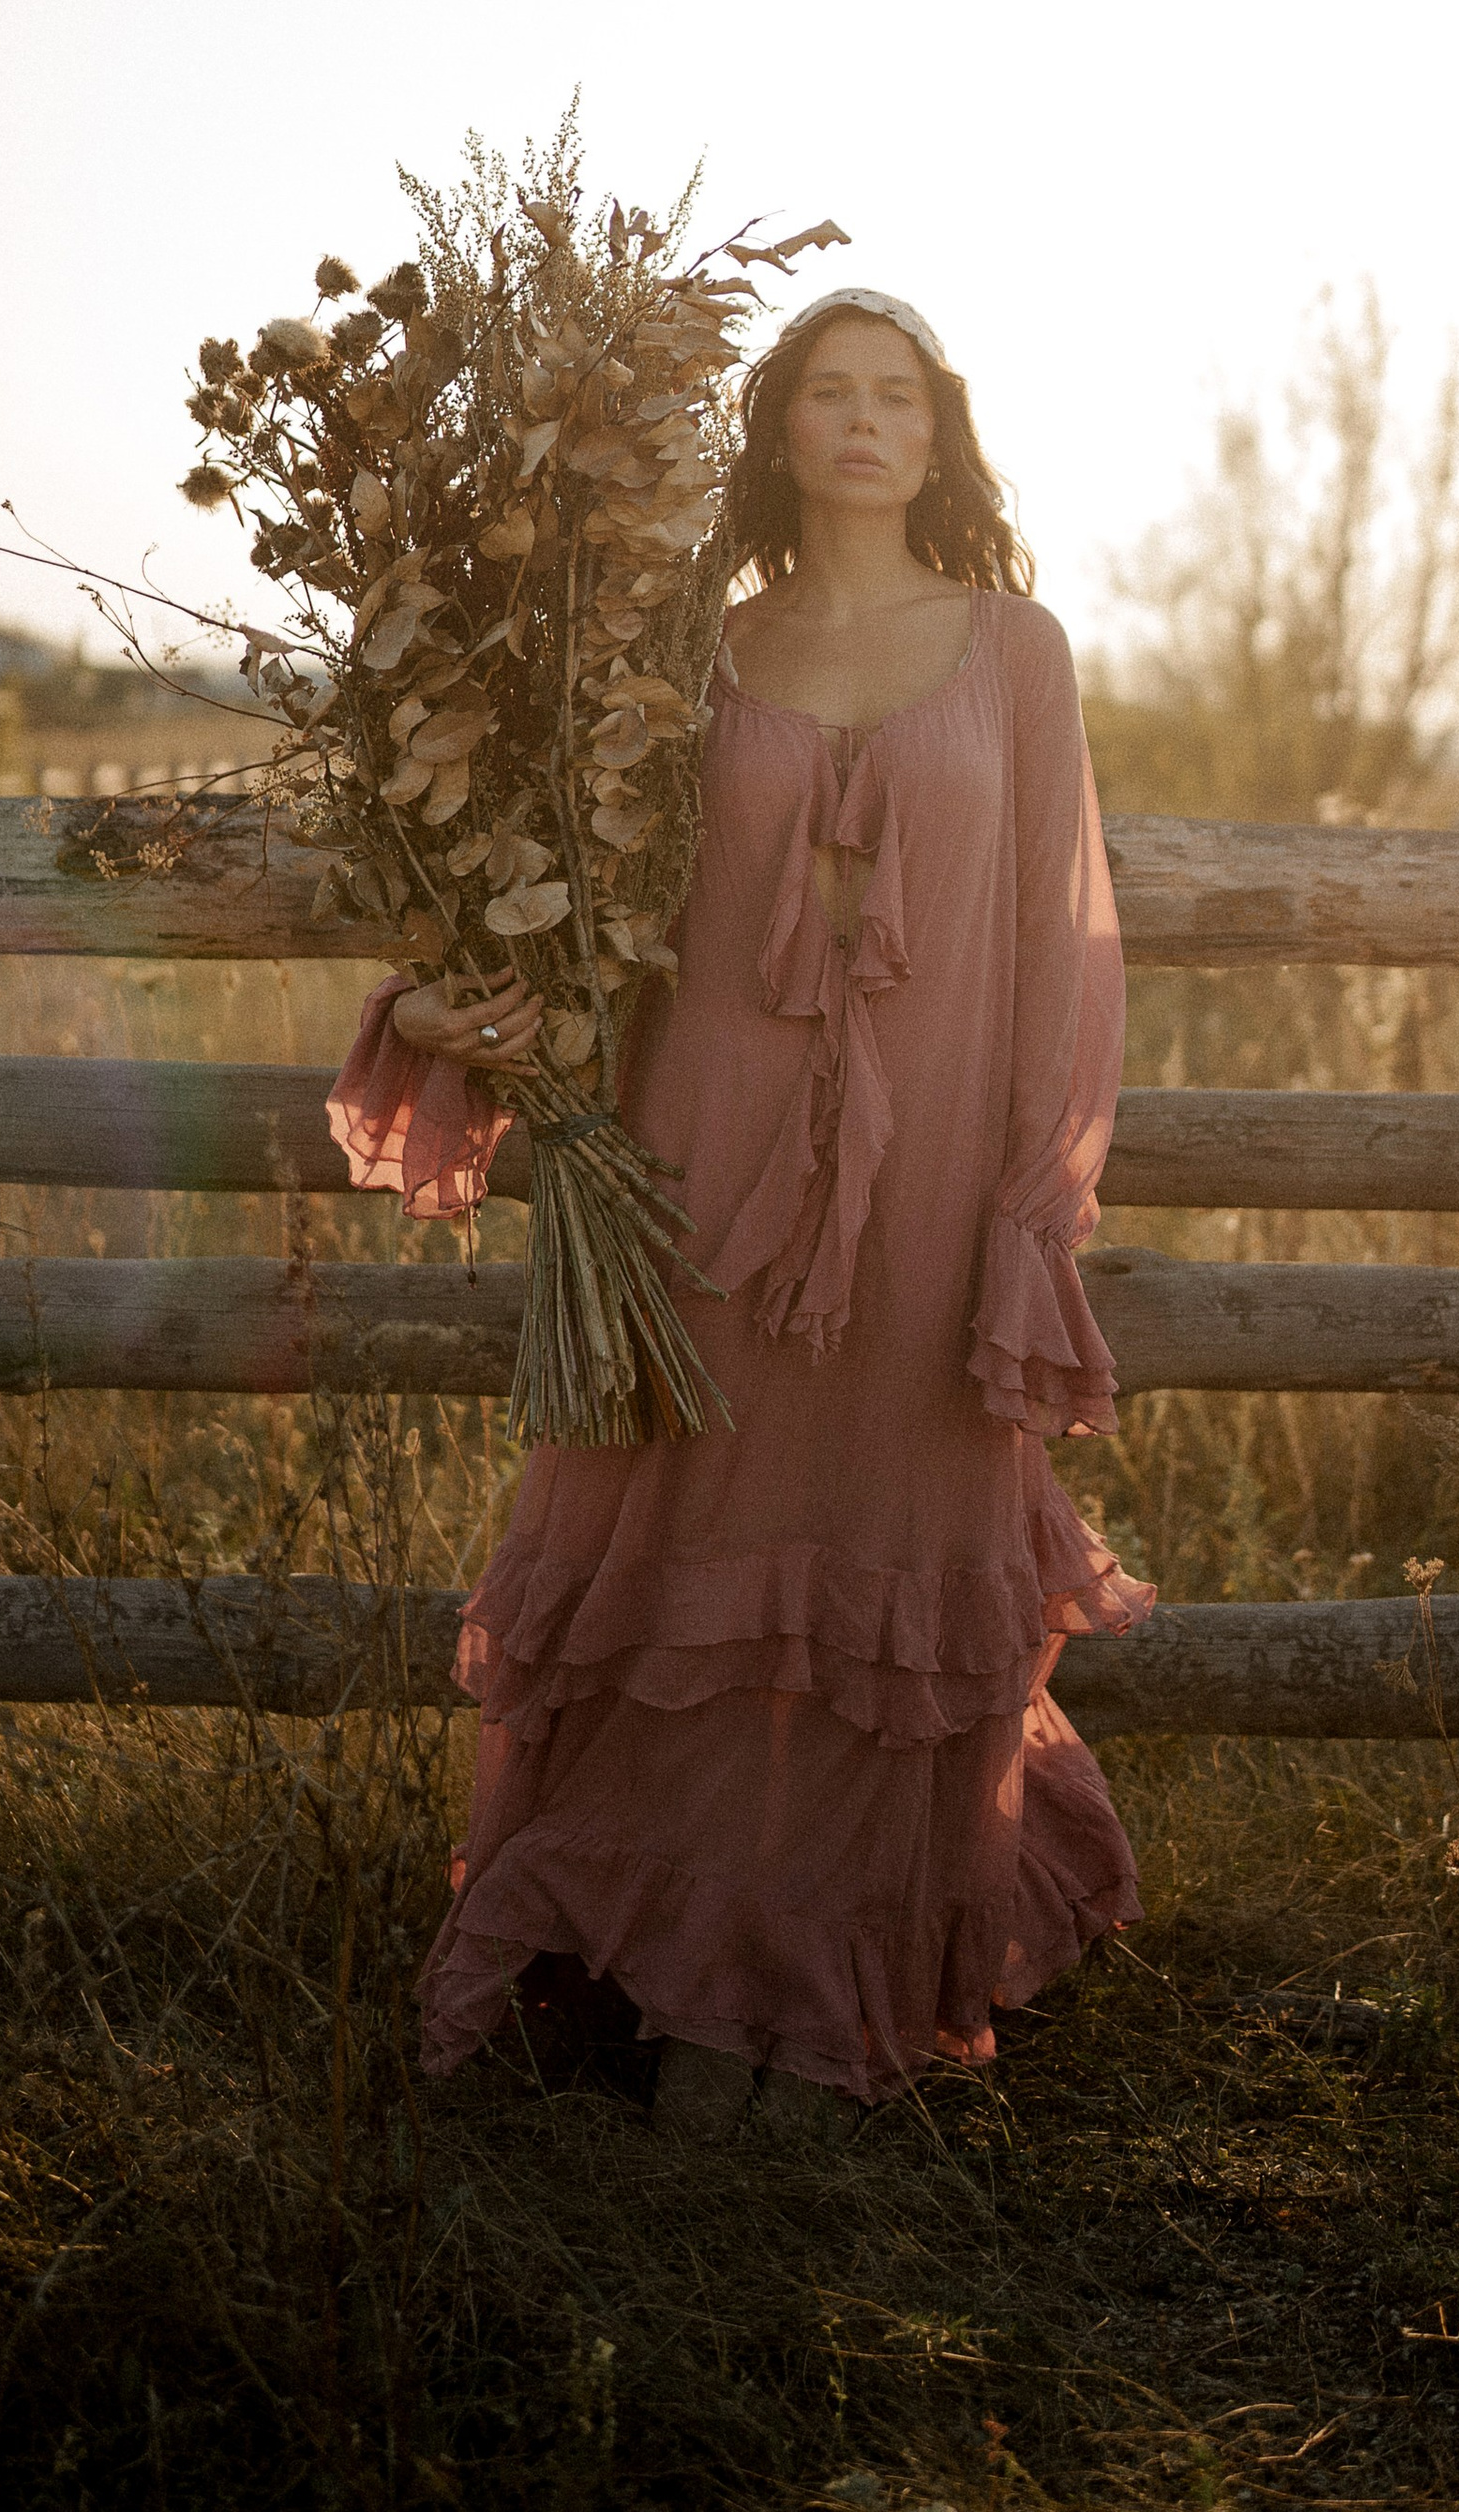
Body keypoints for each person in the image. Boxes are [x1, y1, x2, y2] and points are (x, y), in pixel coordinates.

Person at [326, 286, 1151, 2127]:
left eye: (897, 397)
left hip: (928, 1171)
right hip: (703, 1155)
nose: (863, 423)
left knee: (892, 1525)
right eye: (828, 394)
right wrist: (474, 996)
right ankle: (673, 1971)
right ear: (779, 430)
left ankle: (842, 1984)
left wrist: (1028, 1203)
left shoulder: (1017, 649)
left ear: (938, 436)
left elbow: (1059, 942)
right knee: (691, 1527)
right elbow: (595, 898)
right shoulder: (688, 649)